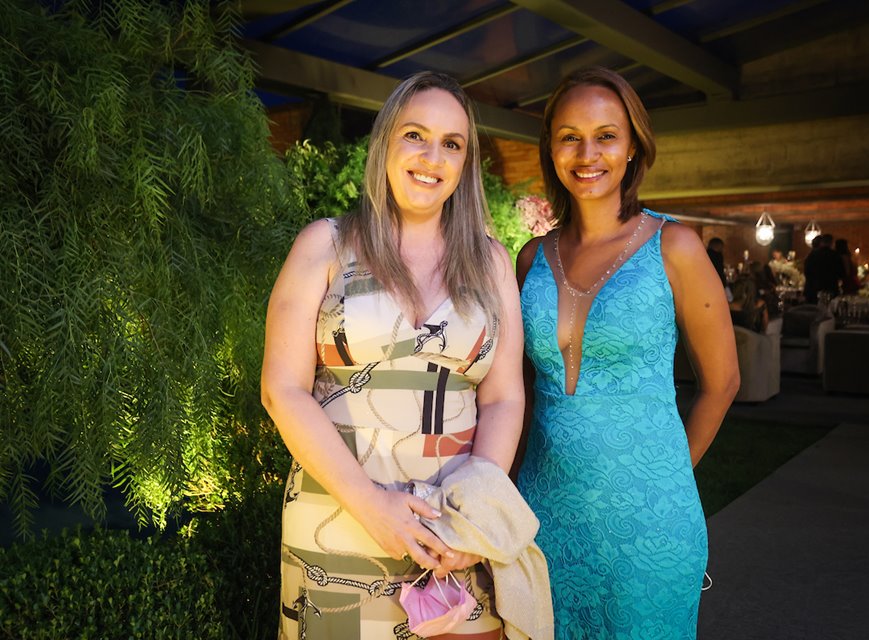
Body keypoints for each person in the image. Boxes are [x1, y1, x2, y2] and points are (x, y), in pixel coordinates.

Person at [261, 72, 533, 639]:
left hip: (453, 539)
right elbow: (282, 390)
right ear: (386, 141)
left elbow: (504, 395)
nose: (432, 156)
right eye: (415, 135)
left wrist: (476, 515)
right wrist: (370, 505)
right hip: (338, 528)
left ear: (465, 162)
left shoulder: (491, 262)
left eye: (452, 144)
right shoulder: (324, 245)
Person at [513, 66, 740, 637]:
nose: (587, 153)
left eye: (606, 135)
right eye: (569, 136)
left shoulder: (676, 246)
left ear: (634, 144)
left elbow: (723, 382)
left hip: (648, 521)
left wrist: (668, 476)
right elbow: (515, 393)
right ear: (551, 148)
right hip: (542, 513)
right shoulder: (530, 259)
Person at [803, 233, 844, 304]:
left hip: (812, 290)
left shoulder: (812, 255)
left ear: (822, 242)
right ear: (831, 243)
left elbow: (806, 271)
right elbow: (841, 273)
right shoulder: (835, 255)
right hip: (830, 289)